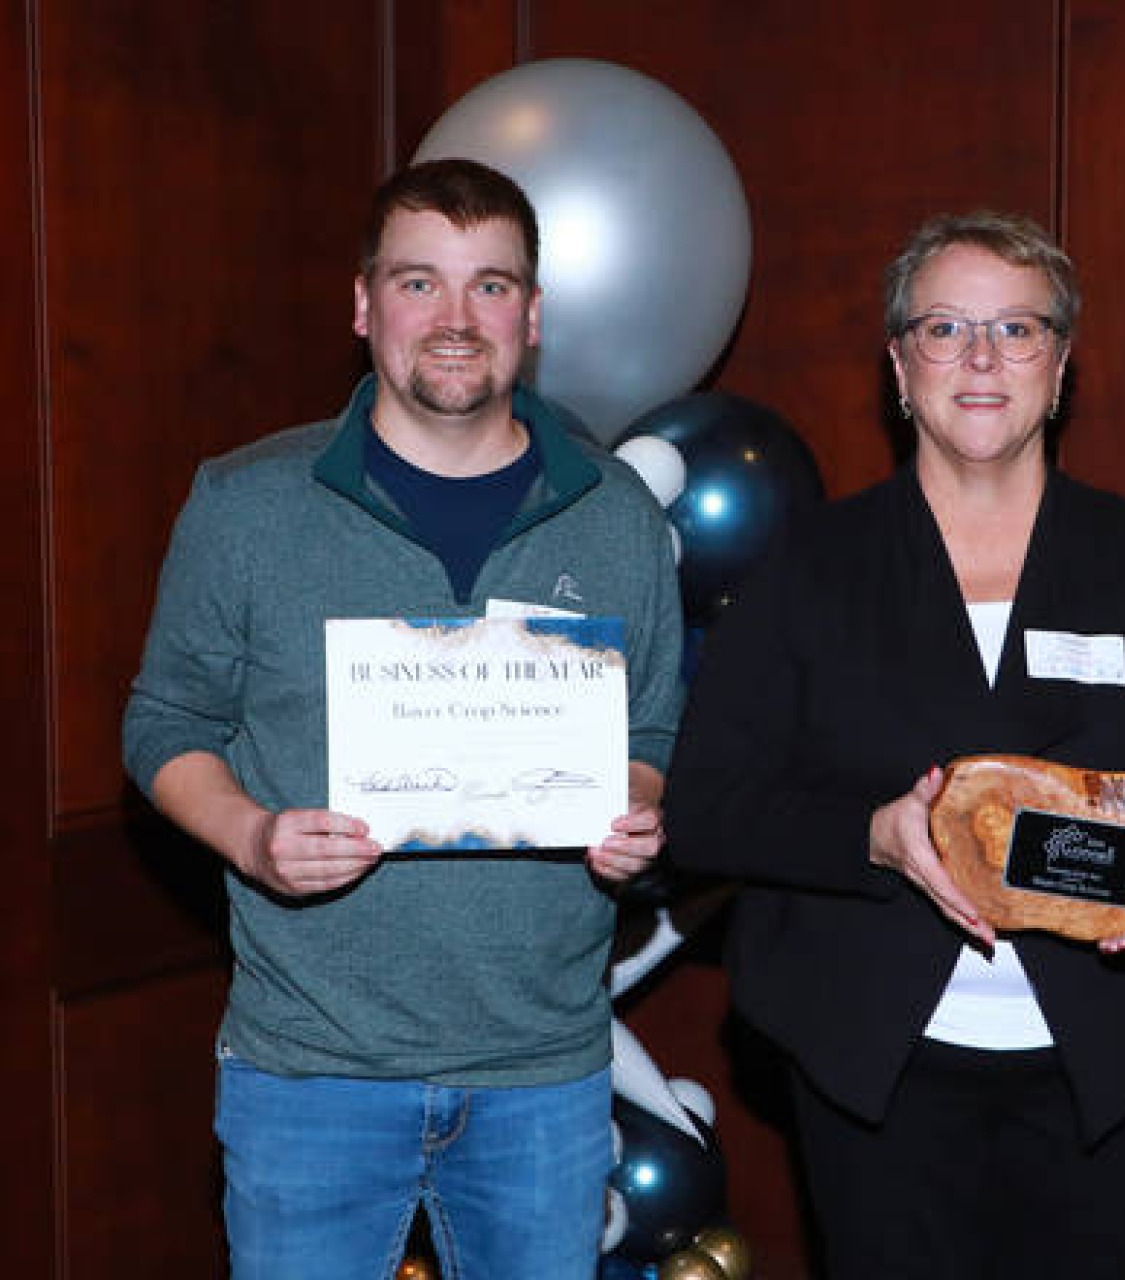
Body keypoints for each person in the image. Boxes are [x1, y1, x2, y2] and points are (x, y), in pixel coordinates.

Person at [664, 210, 1125, 1279]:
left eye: (1017, 329)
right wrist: (872, 836)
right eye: (945, 328)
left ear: (1060, 365)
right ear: (898, 366)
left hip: (1100, 1066)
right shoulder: (813, 567)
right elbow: (706, 809)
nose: (981, 358)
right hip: (871, 1065)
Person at [121, 158, 683, 1279]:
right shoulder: (247, 501)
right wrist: (251, 837)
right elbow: (164, 720)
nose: (455, 318)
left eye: (490, 285)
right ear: (365, 303)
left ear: (532, 315)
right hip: (309, 1069)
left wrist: (629, 807)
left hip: (543, 1073)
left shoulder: (615, 515)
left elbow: (650, 732)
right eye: (420, 282)